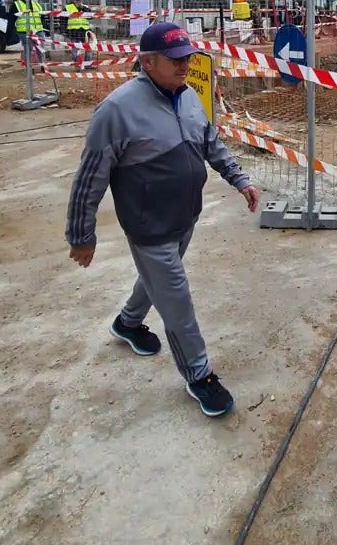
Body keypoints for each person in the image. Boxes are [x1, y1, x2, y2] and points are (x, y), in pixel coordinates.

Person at [65, 22, 261, 418]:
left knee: (157, 278)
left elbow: (211, 144)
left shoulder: (188, 97)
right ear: (147, 62)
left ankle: (128, 322)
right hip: (147, 224)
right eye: (174, 60)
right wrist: (81, 235)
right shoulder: (117, 110)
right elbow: (90, 177)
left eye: (186, 57)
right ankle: (199, 374)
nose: (184, 65)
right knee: (177, 300)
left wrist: (240, 180)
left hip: (184, 216)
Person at [14, 0, 45, 64]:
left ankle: (43, 65)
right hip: (24, 31)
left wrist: (45, 27)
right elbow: (12, 18)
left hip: (38, 30)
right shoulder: (16, 5)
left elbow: (42, 17)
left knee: (41, 49)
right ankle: (28, 68)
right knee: (28, 49)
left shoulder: (36, 5)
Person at [64, 0, 93, 69]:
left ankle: (88, 65)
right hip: (73, 31)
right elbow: (63, 20)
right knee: (75, 49)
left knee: (88, 48)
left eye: (80, 1)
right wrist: (64, 31)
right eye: (77, 1)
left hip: (84, 31)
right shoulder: (68, 8)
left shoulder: (85, 7)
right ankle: (77, 65)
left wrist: (83, 8)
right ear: (74, 0)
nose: (79, 2)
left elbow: (91, 16)